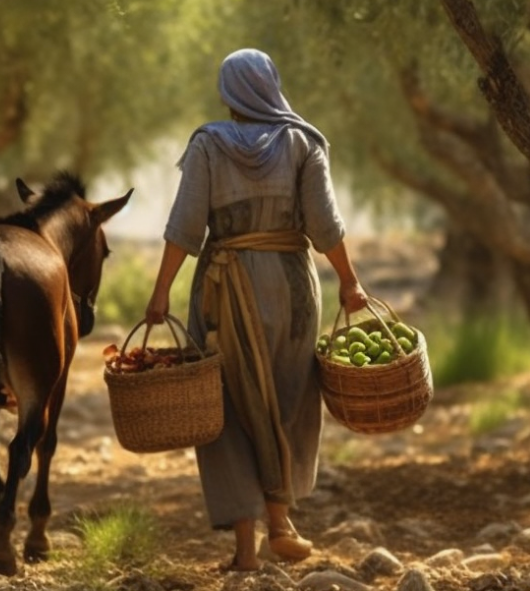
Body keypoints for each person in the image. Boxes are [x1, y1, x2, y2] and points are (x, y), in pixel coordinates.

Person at [145, 47, 369, 573]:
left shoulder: (206, 145)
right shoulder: (303, 142)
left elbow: (185, 226)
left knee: (227, 407)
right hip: (291, 289)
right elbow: (325, 227)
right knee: (286, 396)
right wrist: (350, 282)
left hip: (222, 291)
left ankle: (246, 549)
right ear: (273, 86)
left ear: (227, 95)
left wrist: (160, 294)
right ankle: (281, 521)